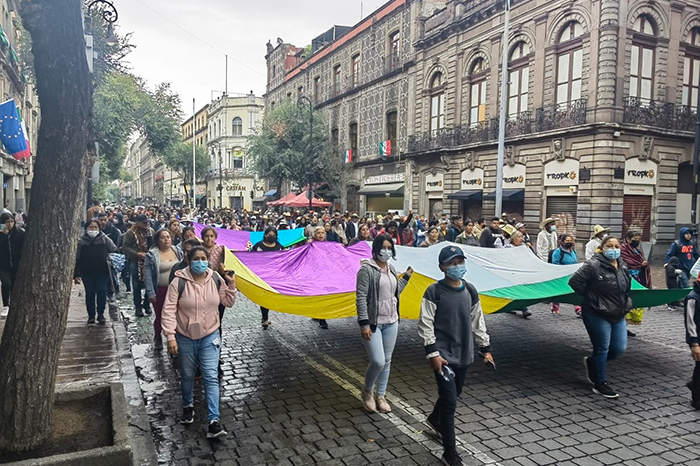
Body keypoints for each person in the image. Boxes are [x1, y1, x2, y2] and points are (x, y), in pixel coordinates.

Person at [419, 245, 494, 466]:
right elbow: (425, 324)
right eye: (451, 263)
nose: (456, 267)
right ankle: (449, 453)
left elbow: (477, 321)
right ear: (442, 267)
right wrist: (432, 353)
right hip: (443, 357)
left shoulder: (470, 290)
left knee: (454, 393)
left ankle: (434, 418)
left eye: (459, 262)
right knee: (450, 402)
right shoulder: (434, 291)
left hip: (465, 353)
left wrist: (486, 348)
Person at [162, 246, 237, 438]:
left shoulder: (214, 278)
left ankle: (214, 421)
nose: (201, 262)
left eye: (204, 258)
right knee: (187, 375)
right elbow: (169, 310)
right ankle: (188, 405)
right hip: (184, 336)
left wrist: (231, 285)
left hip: (210, 335)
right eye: (197, 258)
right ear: (188, 260)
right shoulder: (178, 282)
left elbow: (228, 303)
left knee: (210, 376)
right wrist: (170, 336)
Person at [569, 236, 632, 399]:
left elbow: (627, 285)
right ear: (602, 248)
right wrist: (592, 297)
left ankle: (592, 363)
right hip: (596, 312)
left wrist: (627, 301)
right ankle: (600, 383)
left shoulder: (622, 264)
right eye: (609, 246)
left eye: (617, 246)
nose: (614, 249)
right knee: (602, 347)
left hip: (618, 312)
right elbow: (574, 282)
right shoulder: (593, 264)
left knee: (619, 348)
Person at [356, 234, 413, 413]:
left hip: (391, 321)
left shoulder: (392, 268)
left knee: (387, 361)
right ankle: (367, 392)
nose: (386, 251)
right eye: (383, 247)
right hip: (373, 323)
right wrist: (364, 323)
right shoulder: (366, 270)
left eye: (390, 248)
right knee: (378, 361)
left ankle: (381, 395)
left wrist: (406, 278)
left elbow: (394, 292)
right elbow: (361, 297)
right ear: (376, 248)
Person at [74, 219, 118, 324]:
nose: (93, 230)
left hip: (103, 272)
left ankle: (101, 314)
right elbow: (77, 258)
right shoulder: (81, 241)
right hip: (87, 272)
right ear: (86, 229)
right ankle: (91, 315)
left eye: (95, 228)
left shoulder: (104, 239)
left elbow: (114, 250)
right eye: (91, 227)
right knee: (90, 293)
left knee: (101, 291)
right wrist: (76, 274)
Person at [144, 229, 183, 349]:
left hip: (176, 290)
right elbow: (148, 275)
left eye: (168, 237)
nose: (166, 239)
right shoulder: (152, 254)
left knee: (177, 315)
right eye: (163, 237)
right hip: (160, 290)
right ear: (157, 240)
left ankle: (174, 338)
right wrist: (151, 293)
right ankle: (157, 335)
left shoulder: (177, 251)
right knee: (161, 314)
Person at [122, 214, 154, 317]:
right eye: (144, 223)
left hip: (149, 262)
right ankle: (138, 307)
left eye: (147, 222)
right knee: (136, 286)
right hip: (136, 262)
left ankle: (146, 304)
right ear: (138, 223)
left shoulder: (151, 231)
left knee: (150, 284)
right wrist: (137, 254)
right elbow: (125, 247)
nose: (146, 224)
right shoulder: (130, 233)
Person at [251, 227, 283, 329]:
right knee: (264, 296)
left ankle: (266, 316)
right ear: (265, 235)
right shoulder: (258, 246)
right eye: (269, 235)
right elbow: (250, 258)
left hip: (275, 276)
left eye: (273, 236)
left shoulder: (279, 247)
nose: (271, 237)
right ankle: (265, 318)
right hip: (262, 276)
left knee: (271, 297)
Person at [621, 230, 650, 334]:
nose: (637, 241)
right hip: (627, 278)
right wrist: (639, 264)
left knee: (633, 303)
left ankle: (624, 327)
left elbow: (640, 260)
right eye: (635, 239)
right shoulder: (623, 249)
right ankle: (621, 327)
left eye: (638, 239)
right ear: (628, 239)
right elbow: (626, 261)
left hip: (637, 278)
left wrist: (643, 265)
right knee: (624, 302)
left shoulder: (636, 250)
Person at [550, 234, 582, 316]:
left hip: (572, 276)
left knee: (574, 291)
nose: (569, 242)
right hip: (561, 276)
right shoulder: (558, 252)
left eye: (571, 241)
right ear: (563, 242)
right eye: (567, 241)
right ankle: (555, 308)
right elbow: (555, 264)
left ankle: (578, 309)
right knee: (559, 292)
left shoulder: (573, 251)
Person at [0, 213, 24, 317]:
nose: (9, 224)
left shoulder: (19, 233)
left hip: (16, 264)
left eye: (11, 222)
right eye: (7, 222)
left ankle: (13, 306)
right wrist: (3, 235)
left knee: (14, 285)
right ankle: (6, 305)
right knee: (6, 283)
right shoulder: (1, 234)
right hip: (3, 265)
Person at [684, 276, 700, 410]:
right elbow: (690, 322)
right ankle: (696, 398)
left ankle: (694, 384)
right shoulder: (693, 298)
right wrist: (694, 343)